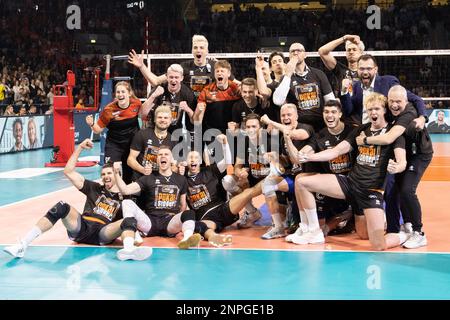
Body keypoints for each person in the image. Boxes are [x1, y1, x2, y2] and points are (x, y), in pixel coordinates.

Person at [4, 139, 152, 261]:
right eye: (103, 173)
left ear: (116, 175)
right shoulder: (94, 188)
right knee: (61, 206)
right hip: (82, 227)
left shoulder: (125, 196)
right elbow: (68, 171)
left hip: (103, 232)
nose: (106, 176)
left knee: (129, 219)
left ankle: (128, 251)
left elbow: (134, 219)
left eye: (109, 173)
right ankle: (22, 245)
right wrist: (80, 147)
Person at [293, 93, 408, 250]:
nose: (373, 113)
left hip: (371, 191)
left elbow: (402, 162)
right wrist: (309, 157)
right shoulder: (361, 130)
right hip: (350, 183)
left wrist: (397, 167)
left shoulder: (394, 135)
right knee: (302, 182)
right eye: (370, 109)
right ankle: (313, 231)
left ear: (384, 111)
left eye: (377, 109)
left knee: (377, 244)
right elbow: (336, 151)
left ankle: (404, 235)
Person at [356, 85, 433, 248]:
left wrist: (365, 140)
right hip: (401, 153)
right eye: (392, 101)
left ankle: (419, 233)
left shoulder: (408, 113)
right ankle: (399, 228)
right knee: (392, 191)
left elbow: (389, 137)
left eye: (399, 101)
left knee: (407, 190)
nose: (395, 105)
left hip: (418, 155)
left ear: (405, 101)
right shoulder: (389, 110)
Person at [284, 100, 355, 243]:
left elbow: (333, 153)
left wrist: (309, 157)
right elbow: (298, 158)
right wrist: (288, 139)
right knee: (299, 178)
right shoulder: (320, 135)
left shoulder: (352, 131)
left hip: (351, 182)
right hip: (332, 183)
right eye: (326, 112)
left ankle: (316, 230)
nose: (330, 115)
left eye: (333, 112)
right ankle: (306, 228)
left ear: (340, 114)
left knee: (363, 233)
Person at [113, 146, 202, 249]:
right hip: (150, 221)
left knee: (189, 213)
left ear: (172, 160)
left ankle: (187, 240)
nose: (163, 156)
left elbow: (183, 204)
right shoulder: (148, 178)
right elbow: (125, 190)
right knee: (126, 202)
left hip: (170, 222)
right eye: (160, 154)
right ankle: (132, 239)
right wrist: (116, 173)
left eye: (166, 154)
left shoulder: (181, 179)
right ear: (157, 159)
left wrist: (179, 223)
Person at [182, 134, 263, 247]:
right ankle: (215, 238)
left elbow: (226, 161)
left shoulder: (210, 171)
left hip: (223, 209)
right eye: (190, 157)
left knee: (247, 193)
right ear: (185, 161)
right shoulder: (181, 178)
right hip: (205, 216)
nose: (193, 160)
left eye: (195, 157)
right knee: (201, 227)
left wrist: (225, 144)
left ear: (200, 160)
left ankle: (258, 201)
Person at [340, 54, 427, 127]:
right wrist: (344, 91)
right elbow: (348, 111)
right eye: (362, 69)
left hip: (386, 131)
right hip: (363, 130)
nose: (365, 72)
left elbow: (416, 99)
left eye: (369, 69)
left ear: (375, 69)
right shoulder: (356, 86)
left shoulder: (388, 82)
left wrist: (422, 118)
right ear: (357, 70)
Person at [85, 81, 142, 183]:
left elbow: (144, 116)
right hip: (114, 145)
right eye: (118, 92)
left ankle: (127, 197)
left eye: (123, 92)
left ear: (129, 93)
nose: (120, 94)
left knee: (129, 175)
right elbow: (98, 129)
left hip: (131, 145)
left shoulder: (136, 104)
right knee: (109, 171)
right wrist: (91, 124)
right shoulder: (109, 110)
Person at [273, 42, 335, 131]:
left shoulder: (319, 74)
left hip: (321, 124)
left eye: (299, 50)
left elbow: (330, 101)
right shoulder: (286, 78)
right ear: (289, 56)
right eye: (292, 51)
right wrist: (288, 74)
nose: (295, 53)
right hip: (299, 127)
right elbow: (278, 101)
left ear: (305, 55)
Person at [128, 105, 176, 181]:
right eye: (160, 117)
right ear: (154, 119)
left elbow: (174, 165)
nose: (163, 120)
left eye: (166, 118)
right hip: (141, 179)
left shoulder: (173, 140)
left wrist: (176, 168)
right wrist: (143, 170)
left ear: (170, 120)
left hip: (160, 182)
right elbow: (130, 160)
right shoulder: (142, 134)